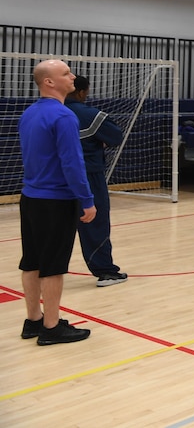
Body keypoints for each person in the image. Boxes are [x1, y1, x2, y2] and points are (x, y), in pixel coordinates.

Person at [18, 59, 97, 345]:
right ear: (49, 82)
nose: (72, 76)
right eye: (65, 73)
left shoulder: (29, 113)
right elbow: (72, 163)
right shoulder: (63, 117)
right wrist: (87, 200)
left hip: (30, 198)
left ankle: (34, 320)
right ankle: (52, 327)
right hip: (56, 201)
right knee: (53, 265)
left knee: (32, 261)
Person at [65, 76, 127, 287]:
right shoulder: (91, 115)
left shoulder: (43, 113)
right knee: (95, 223)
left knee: (55, 228)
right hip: (88, 175)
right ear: (82, 92)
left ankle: (46, 271)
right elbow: (116, 137)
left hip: (54, 180)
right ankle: (105, 271)